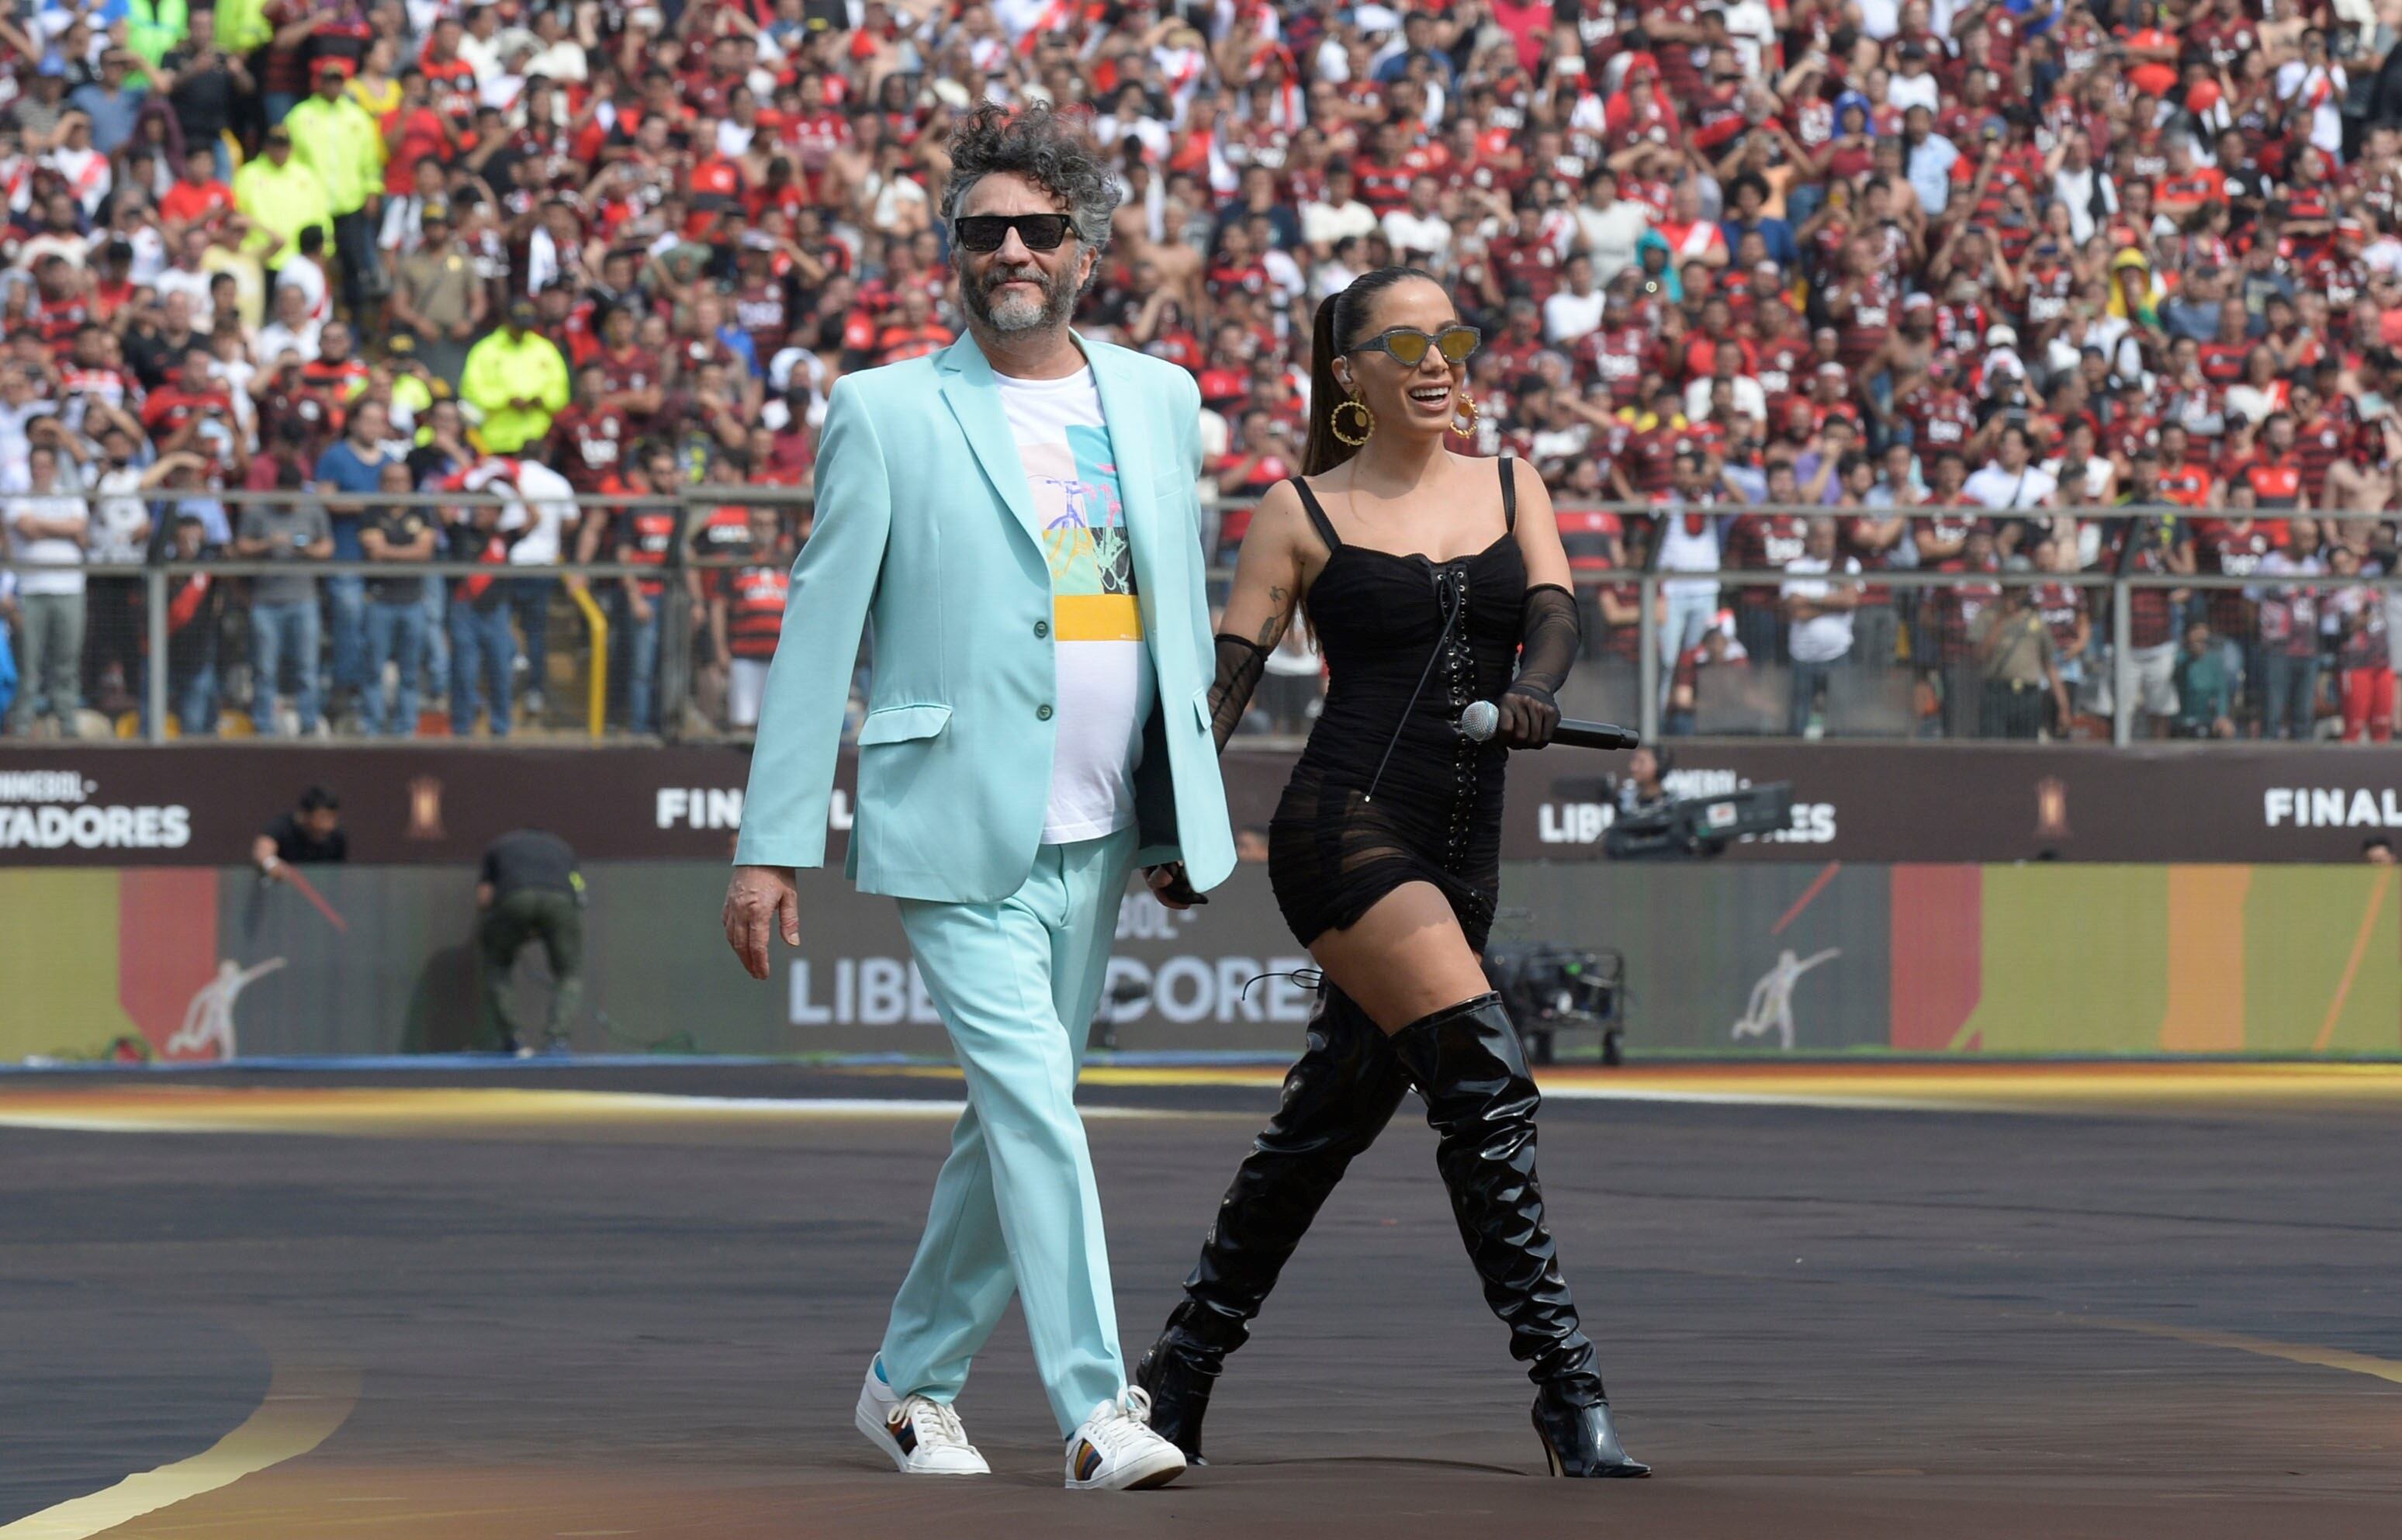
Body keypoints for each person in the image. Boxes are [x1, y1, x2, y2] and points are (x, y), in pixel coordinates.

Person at [719, 106, 1230, 1491]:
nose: (1007, 250)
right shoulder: (884, 410)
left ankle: (907, 1382)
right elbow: (816, 640)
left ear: (1086, 249)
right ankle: (1096, 1410)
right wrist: (771, 848)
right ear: (955, 251)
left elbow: (1169, 620)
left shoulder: (1162, 398)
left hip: (1105, 827)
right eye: (981, 230)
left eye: (1036, 230)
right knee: (1037, 1112)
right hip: (949, 818)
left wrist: (1188, 814)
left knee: (1014, 1121)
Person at [1134, 267, 1647, 1479]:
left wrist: (1535, 692)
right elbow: (1225, 686)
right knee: (1486, 1078)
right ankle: (1569, 1391)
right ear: (1348, 373)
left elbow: (1559, 614)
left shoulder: (1516, 481)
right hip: (1346, 831)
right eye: (1403, 341)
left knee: (1320, 1130)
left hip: (1465, 852)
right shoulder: (1297, 507)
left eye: (1452, 338)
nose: (1436, 361)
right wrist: (1170, 825)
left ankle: (1178, 1371)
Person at [476, 829, 587, 1055]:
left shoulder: (499, 846)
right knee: (569, 974)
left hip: (514, 898)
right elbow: (580, 892)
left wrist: (503, 928)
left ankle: (513, 1040)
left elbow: (484, 897)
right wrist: (545, 925)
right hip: (561, 902)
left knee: (497, 968)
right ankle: (558, 1041)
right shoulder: (563, 849)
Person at [252, 785, 347, 877]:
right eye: (322, 817)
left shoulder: (337, 836)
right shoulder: (282, 827)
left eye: (332, 818)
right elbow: (263, 849)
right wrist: (271, 864)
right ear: (305, 815)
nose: (328, 825)